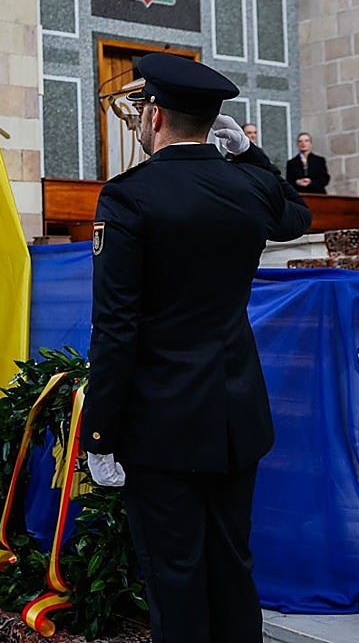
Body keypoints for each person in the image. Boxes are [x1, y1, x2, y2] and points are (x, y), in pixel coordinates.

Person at [81, 53, 311, 643]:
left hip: (164, 424)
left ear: (155, 116)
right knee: (232, 565)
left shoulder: (129, 196)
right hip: (236, 417)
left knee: (175, 576)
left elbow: (115, 326)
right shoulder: (249, 186)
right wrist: (250, 156)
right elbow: (296, 215)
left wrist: (101, 434)